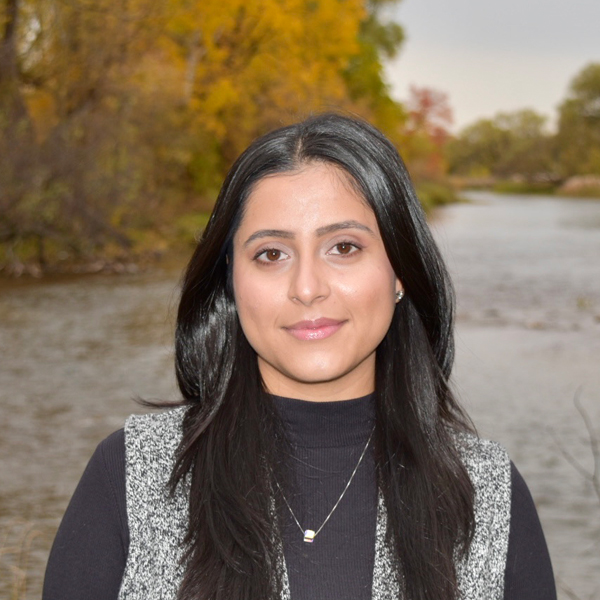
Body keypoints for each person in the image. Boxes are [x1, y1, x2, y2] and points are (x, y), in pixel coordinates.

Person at [43, 113, 556, 600]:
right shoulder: (132, 475)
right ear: (230, 281)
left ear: (400, 270)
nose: (307, 288)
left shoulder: (488, 494)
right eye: (271, 254)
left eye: (344, 247)